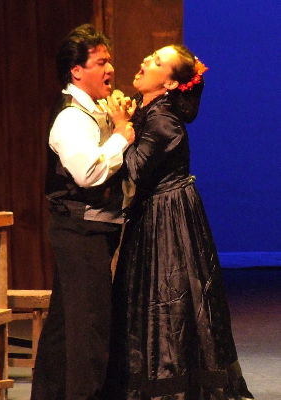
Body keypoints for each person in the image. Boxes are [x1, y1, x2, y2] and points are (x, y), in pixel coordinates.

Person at [102, 45, 255, 400]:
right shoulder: (151, 111)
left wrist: (121, 127)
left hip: (167, 219)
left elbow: (136, 170)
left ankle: (172, 386)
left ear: (169, 83)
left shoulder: (163, 120)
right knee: (154, 298)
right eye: (149, 56)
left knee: (170, 298)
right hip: (155, 214)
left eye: (155, 62)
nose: (143, 61)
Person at [30, 24, 134, 400]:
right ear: (77, 70)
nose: (110, 69)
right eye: (101, 62)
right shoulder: (72, 118)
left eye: (109, 61)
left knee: (64, 329)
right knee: (88, 333)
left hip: (90, 232)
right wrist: (121, 134)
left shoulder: (93, 111)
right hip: (80, 233)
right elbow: (88, 173)